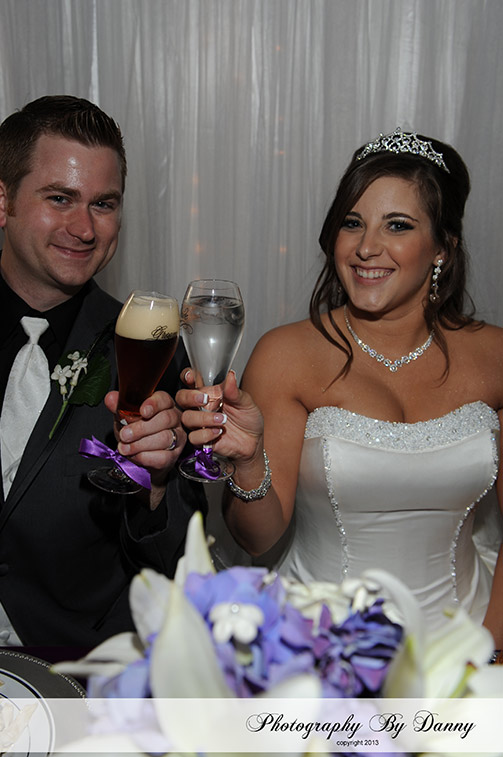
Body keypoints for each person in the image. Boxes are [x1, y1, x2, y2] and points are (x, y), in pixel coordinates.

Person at [179, 128, 503, 646]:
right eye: (352, 223)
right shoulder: (287, 355)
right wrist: (248, 462)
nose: (367, 247)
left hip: (470, 637)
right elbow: (256, 539)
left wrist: (488, 654)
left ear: (443, 247)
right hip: (318, 645)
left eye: (397, 225)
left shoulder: (495, 356)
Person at [0, 94, 203, 648]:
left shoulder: (151, 349)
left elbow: (177, 564)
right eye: (60, 198)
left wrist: (158, 487)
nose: (84, 228)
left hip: (77, 669)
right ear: (1, 202)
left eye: (103, 204)